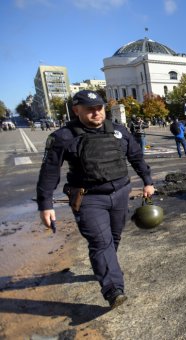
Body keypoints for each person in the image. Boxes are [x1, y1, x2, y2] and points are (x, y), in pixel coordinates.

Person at [36, 90, 154, 309]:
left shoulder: (118, 131)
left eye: (99, 108)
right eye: (89, 109)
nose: (96, 113)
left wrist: (147, 181)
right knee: (101, 242)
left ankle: (105, 267)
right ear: (76, 110)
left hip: (120, 194)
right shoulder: (63, 137)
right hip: (88, 198)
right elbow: (49, 171)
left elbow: (136, 157)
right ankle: (113, 289)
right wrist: (46, 204)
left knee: (114, 238)